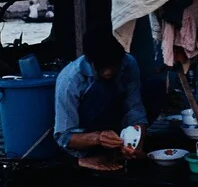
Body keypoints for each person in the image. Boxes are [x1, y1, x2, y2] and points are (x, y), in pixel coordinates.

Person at [54, 25, 149, 171]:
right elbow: (64, 137)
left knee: (156, 87)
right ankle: (84, 158)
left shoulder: (128, 63)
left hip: (117, 127)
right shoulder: (70, 80)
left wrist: (137, 144)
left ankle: (120, 149)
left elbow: (135, 108)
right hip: (86, 133)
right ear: (89, 61)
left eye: (113, 65)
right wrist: (98, 138)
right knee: (102, 88)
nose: (108, 72)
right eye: (102, 66)